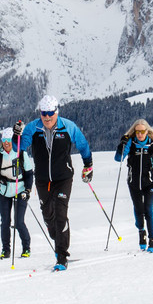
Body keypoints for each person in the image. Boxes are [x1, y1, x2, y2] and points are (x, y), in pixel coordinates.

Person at [20, 95, 92, 271]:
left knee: (61, 214)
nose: (47, 117)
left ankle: (61, 255)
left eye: (50, 113)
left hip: (64, 177)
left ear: (56, 112)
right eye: (43, 113)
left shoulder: (68, 127)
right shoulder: (32, 128)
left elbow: (82, 145)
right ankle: (55, 235)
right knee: (48, 215)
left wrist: (88, 164)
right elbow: (19, 148)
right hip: (43, 179)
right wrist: (17, 136)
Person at [114, 119, 153, 253]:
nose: (140, 134)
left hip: (150, 183)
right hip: (133, 183)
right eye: (137, 132)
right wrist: (122, 145)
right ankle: (141, 232)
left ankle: (152, 240)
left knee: (148, 210)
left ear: (147, 131)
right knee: (138, 210)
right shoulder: (131, 144)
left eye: (142, 131)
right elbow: (118, 158)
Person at [0, 125, 34, 259]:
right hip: (4, 191)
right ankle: (6, 250)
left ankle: (26, 248)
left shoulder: (21, 154)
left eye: (9, 141)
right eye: (4, 141)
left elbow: (29, 174)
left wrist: (28, 190)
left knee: (18, 222)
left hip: (21, 190)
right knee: (5, 222)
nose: (6, 143)